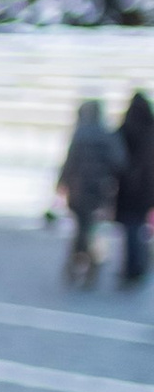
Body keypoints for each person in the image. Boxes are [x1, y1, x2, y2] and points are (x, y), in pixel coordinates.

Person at [59, 97, 120, 287]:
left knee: (82, 228)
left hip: (79, 189)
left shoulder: (80, 134)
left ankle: (78, 261)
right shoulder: (107, 135)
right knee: (92, 229)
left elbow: (69, 163)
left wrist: (62, 183)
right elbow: (119, 162)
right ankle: (90, 263)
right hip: (100, 189)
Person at [113, 93, 154, 289]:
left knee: (131, 229)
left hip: (129, 189)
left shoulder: (125, 129)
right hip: (147, 189)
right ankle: (138, 265)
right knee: (139, 228)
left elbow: (115, 157)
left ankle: (133, 267)